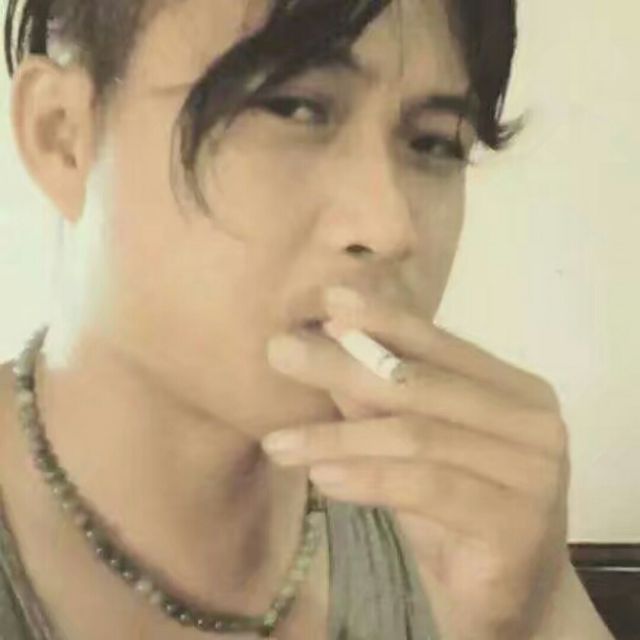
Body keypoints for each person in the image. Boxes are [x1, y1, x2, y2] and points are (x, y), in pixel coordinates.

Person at [0, 0, 616, 638]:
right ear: (62, 135)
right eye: (293, 107)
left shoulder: (461, 527)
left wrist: (529, 616)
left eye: (434, 143)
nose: (390, 226)